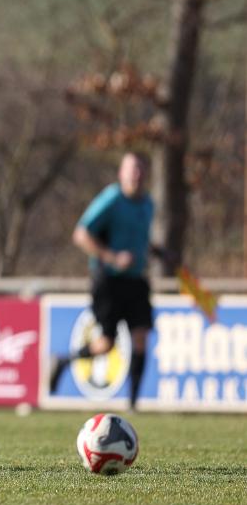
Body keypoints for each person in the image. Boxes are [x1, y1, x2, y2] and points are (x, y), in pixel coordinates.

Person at [50, 151, 160, 410]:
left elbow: (140, 240)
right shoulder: (112, 199)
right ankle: (64, 361)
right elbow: (81, 234)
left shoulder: (148, 204)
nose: (137, 174)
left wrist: (159, 251)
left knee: (141, 337)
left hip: (136, 281)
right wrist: (112, 257)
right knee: (106, 344)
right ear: (121, 173)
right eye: (132, 169)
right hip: (109, 281)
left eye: (141, 169)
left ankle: (133, 404)